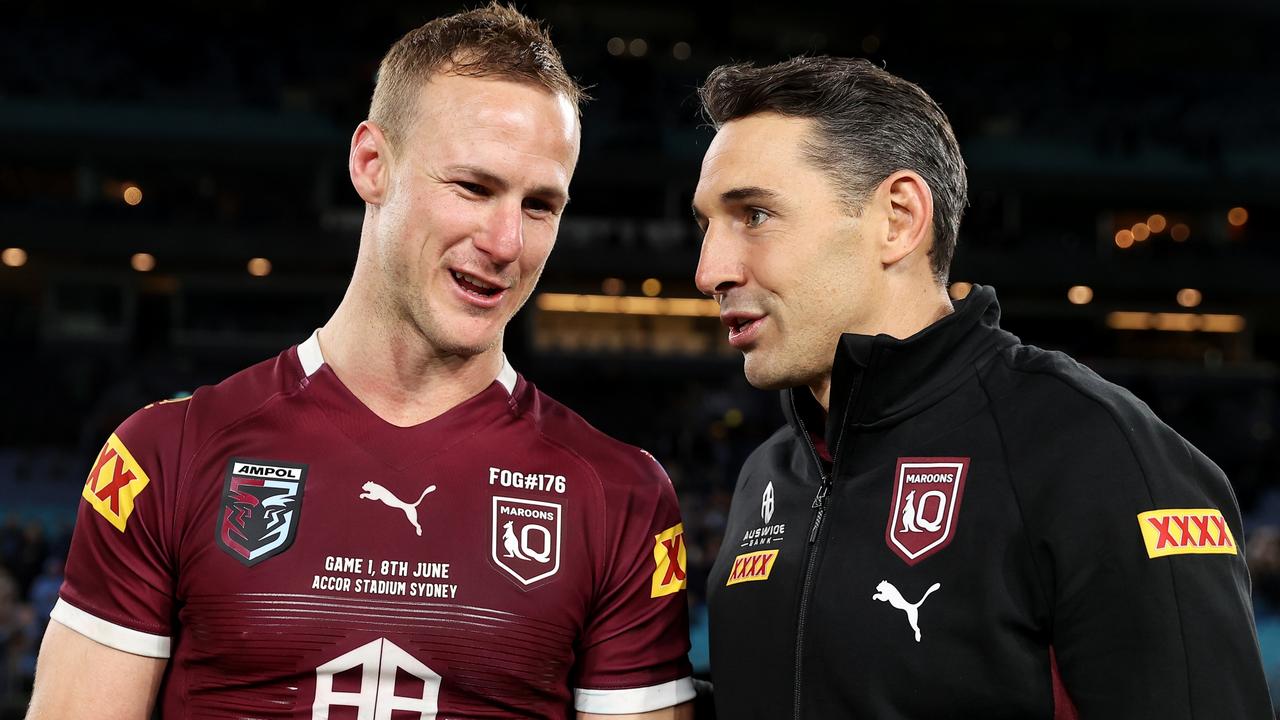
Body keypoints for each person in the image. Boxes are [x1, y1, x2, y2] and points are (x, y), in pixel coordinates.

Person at [26, 5, 694, 718]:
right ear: (372, 164)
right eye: (473, 187)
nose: (506, 242)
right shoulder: (166, 455)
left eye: (541, 205)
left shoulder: (621, 497)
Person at [691, 55, 1271, 718]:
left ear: (898, 218)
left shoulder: (1096, 455)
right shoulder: (767, 477)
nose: (710, 270)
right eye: (705, 225)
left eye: (755, 215)